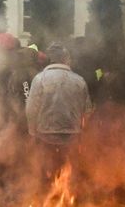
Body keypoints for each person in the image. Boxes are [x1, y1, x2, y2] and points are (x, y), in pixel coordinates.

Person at [24, 43, 91, 182]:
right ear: (66, 59)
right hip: (72, 134)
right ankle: (68, 201)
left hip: (45, 134)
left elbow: (31, 108)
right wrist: (83, 132)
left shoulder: (39, 79)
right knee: (69, 172)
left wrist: (32, 132)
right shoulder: (79, 81)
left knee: (46, 172)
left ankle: (46, 200)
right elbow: (87, 110)